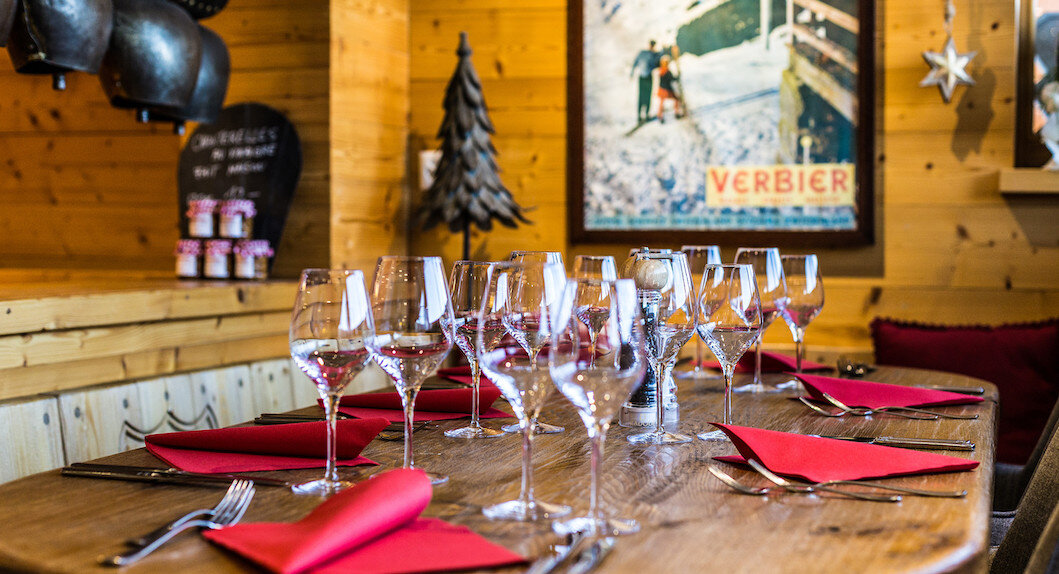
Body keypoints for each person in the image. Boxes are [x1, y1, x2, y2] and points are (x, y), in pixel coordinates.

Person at [631, 40, 660, 123]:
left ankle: (646, 114)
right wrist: (632, 72)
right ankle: (640, 115)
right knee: (642, 96)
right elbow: (635, 62)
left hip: (646, 77)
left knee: (647, 96)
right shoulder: (646, 53)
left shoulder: (653, 54)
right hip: (644, 77)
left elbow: (656, 64)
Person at [656, 55, 683, 123]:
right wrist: (678, 76)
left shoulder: (661, 70)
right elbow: (672, 79)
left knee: (662, 102)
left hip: (661, 89)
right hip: (667, 90)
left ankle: (660, 115)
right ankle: (676, 113)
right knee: (677, 99)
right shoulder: (667, 72)